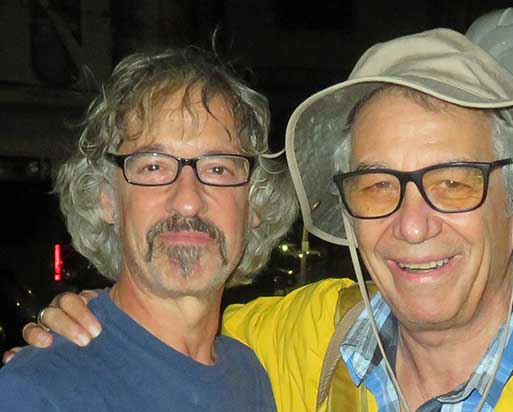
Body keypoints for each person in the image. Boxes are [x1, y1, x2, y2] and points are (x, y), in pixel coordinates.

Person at [12, 29, 513, 412]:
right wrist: (83, 327)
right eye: (376, 186)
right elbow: (168, 334)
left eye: (452, 182)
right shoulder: (309, 341)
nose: (413, 225)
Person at [0, 46, 298, 411]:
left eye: (219, 168)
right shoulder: (40, 391)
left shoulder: (249, 374)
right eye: (153, 167)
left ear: (254, 204)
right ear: (107, 199)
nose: (188, 201)